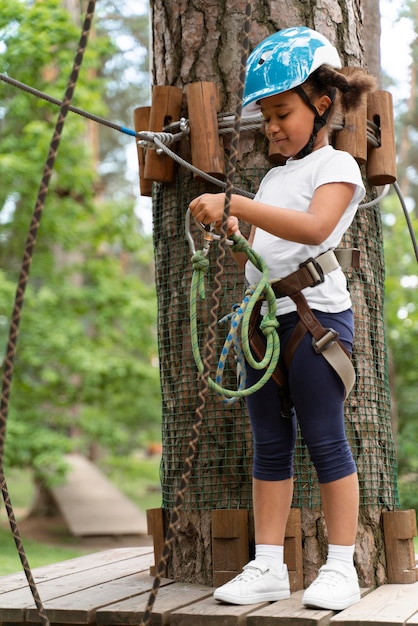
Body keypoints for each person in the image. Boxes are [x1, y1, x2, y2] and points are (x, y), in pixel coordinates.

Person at [189, 26, 377, 610]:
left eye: (281, 112)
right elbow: (267, 243)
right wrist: (233, 228)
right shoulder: (275, 176)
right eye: (265, 116)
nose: (271, 126)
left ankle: (341, 567)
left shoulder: (339, 168)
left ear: (321, 105)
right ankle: (269, 564)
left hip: (315, 321)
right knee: (269, 444)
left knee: (325, 440)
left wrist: (238, 204)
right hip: (263, 320)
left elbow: (316, 229)